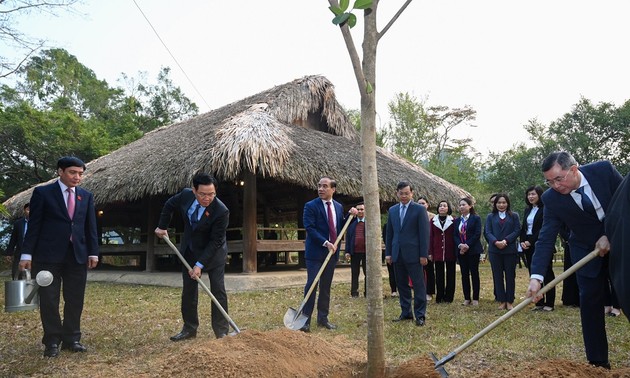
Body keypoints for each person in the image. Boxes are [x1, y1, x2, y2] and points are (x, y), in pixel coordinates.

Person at [526, 151, 622, 369]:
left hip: (619, 240)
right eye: (549, 182)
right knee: (590, 301)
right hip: (584, 248)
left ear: (574, 169)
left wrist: (611, 233)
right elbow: (546, 237)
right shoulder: (550, 199)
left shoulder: (603, 171)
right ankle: (598, 362)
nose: (556, 186)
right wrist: (536, 277)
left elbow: (625, 203)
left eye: (559, 179)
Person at [19, 156, 99, 358]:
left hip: (77, 255)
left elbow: (90, 227)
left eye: (80, 173)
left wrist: (93, 252)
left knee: (75, 298)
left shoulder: (86, 196)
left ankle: (72, 338)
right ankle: (52, 340)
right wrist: (26, 253)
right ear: (60, 172)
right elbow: (34, 226)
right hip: (48, 256)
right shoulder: (43, 193)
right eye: (73, 172)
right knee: (49, 299)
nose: (77, 177)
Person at [155, 173, 230, 341]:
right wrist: (162, 226)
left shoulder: (221, 211)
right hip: (190, 250)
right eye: (203, 194)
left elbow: (215, 241)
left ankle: (221, 331)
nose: (207, 198)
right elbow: (169, 205)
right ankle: (189, 329)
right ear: (194, 190)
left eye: (211, 194)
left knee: (218, 290)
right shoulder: (185, 195)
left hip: (214, 253)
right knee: (189, 291)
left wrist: (200, 265)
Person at [300, 176, 357, 332]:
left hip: (331, 254)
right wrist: (325, 242)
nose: (321, 189)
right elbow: (310, 228)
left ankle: (323, 319)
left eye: (325, 186)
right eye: (319, 186)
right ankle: (305, 320)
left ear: (333, 189)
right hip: (315, 252)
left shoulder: (338, 206)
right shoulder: (310, 206)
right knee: (312, 284)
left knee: (326, 287)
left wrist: (351, 216)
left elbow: (340, 225)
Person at [386, 181, 430, 327]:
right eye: (401, 193)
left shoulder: (419, 210)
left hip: (415, 253)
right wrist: (389, 253)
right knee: (402, 285)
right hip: (397, 253)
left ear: (412, 193)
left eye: (407, 193)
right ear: (397, 193)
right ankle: (406, 312)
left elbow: (424, 234)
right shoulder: (392, 210)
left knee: (418, 285)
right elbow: (390, 233)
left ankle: (420, 315)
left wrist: (424, 254)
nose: (404, 196)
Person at [520, 185, 555, 311]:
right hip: (527, 245)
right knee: (534, 273)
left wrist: (530, 241)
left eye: (533, 194)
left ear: (540, 195)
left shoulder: (546, 209)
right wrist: (523, 242)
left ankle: (550, 303)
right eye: (529, 194)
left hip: (542, 244)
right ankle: (539, 302)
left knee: (547, 273)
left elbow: (543, 229)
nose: (531, 197)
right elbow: (524, 228)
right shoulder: (527, 210)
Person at [484, 193, 520, 310]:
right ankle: (501, 300)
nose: (501, 205)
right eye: (499, 203)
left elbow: (517, 230)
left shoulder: (514, 216)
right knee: (497, 276)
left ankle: (509, 300)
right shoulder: (490, 216)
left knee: (510, 276)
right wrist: (495, 242)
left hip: (509, 250)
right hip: (495, 251)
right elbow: (488, 232)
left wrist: (505, 241)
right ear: (495, 204)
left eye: (504, 202)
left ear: (508, 203)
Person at [454, 197, 483, 306]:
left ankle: (475, 298)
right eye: (460, 205)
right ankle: (467, 298)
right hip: (461, 251)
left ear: (470, 206)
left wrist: (467, 245)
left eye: (464, 205)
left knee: (474, 273)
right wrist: (460, 245)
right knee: (464, 274)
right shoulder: (457, 220)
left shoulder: (476, 218)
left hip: (473, 250)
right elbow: (455, 235)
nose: (461, 207)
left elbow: (477, 234)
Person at [429, 200, 457, 303]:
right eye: (440, 205)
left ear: (448, 208)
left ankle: (449, 297)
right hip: (437, 251)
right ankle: (439, 296)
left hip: (450, 251)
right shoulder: (433, 221)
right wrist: (430, 252)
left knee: (451, 274)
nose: (442, 207)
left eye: (444, 206)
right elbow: (430, 237)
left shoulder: (453, 220)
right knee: (439, 274)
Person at [345, 202, 367, 298]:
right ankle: (354, 293)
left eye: (362, 209)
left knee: (368, 273)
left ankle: (368, 292)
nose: (360, 211)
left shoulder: (370, 224)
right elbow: (348, 239)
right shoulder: (352, 224)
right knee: (355, 273)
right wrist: (347, 251)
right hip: (355, 252)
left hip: (367, 253)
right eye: (358, 209)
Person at [418, 196, 436, 302]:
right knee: (418, 271)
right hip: (416, 247)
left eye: (423, 203)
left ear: (427, 205)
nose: (421, 205)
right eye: (419, 203)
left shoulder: (433, 218)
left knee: (429, 270)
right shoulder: (413, 216)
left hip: (429, 247)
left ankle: (429, 292)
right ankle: (420, 291)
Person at [5, 203, 29, 280]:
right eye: (28, 209)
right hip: (19, 253)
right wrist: (9, 253)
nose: (30, 211)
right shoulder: (18, 223)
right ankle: (17, 290)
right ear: (24, 210)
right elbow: (13, 239)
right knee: (16, 274)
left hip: (34, 254)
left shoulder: (38, 222)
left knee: (32, 275)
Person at [382, 222, 398, 298]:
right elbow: (386, 239)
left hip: (402, 251)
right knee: (391, 272)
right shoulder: (387, 225)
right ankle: (394, 290)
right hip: (391, 251)